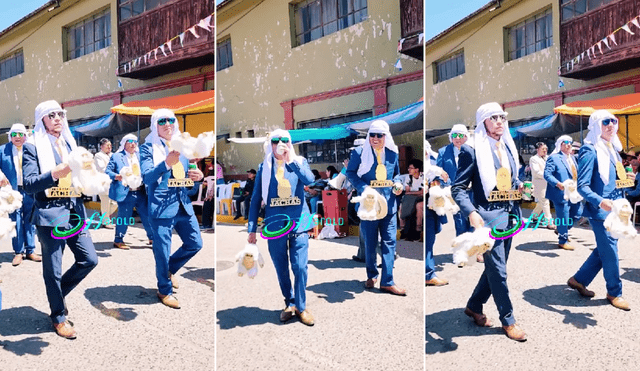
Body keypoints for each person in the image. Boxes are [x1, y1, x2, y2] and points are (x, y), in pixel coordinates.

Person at [23, 100, 99, 339]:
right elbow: (30, 184)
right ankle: (58, 316)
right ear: (42, 120)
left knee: (89, 259)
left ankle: (58, 294)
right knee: (53, 270)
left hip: (75, 210)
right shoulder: (32, 146)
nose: (58, 118)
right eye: (51, 114)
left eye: (61, 114)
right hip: (50, 214)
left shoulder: (70, 142)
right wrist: (56, 172)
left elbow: (81, 173)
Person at [452, 102, 527, 342]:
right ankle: (509, 320)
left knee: (496, 268)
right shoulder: (471, 149)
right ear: (483, 122)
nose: (499, 122)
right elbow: (459, 188)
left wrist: (518, 186)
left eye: (502, 117)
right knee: (499, 271)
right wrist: (472, 213)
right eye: (493, 117)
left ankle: (474, 305)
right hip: (488, 217)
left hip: (511, 213)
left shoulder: (508, 146)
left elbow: (510, 178)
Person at [567, 110, 635, 311]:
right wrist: (599, 201)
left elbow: (612, 180)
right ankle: (615, 292)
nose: (611, 125)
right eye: (606, 122)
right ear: (597, 125)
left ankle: (579, 279)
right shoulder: (590, 150)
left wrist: (626, 183)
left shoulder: (612, 149)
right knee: (611, 251)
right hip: (601, 211)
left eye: (614, 121)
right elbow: (582, 186)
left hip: (616, 207)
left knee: (604, 249)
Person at [246, 129, 316, 325]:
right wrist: (252, 228)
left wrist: (290, 160)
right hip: (275, 224)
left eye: (285, 140)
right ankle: (289, 302)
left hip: (299, 222)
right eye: (276, 140)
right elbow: (256, 199)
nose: (281, 143)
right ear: (271, 144)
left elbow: (310, 180)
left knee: (300, 266)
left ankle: (301, 307)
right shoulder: (264, 167)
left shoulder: (299, 162)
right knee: (281, 267)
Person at [139, 109, 204, 309]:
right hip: (160, 207)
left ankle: (169, 269)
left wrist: (197, 178)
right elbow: (147, 177)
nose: (168, 124)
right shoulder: (147, 148)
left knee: (195, 243)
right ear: (155, 125)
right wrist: (166, 163)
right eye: (162, 121)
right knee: (162, 250)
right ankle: (164, 290)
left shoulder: (184, 146)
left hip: (183, 204)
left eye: (171, 120)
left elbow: (189, 181)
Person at [346, 120, 406, 296]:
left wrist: (398, 184)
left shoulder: (392, 153)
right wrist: (363, 188)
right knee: (370, 243)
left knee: (389, 242)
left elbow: (397, 175)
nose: (375, 138)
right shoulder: (359, 153)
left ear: (386, 137)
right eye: (372, 135)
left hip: (389, 204)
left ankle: (387, 281)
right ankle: (372, 275)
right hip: (369, 205)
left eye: (379, 135)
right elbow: (350, 173)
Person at [0, 124, 41, 266]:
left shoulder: (32, 149)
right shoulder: (2, 150)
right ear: (10, 136)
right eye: (14, 134)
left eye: (20, 134)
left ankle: (30, 250)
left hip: (29, 189)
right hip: (12, 190)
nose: (17, 137)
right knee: (15, 220)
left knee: (30, 219)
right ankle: (18, 252)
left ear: (25, 136)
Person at [105, 134, 155, 249]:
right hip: (126, 192)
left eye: (135, 142)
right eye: (130, 141)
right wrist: (116, 176)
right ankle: (118, 240)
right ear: (124, 144)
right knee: (124, 217)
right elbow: (108, 171)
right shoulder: (117, 156)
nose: (133, 144)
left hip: (141, 191)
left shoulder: (140, 155)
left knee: (147, 216)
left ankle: (152, 238)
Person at [544, 135, 583, 251]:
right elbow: (547, 174)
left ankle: (561, 229)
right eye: (565, 142)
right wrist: (557, 183)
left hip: (574, 193)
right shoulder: (554, 158)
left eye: (570, 142)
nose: (568, 144)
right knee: (563, 217)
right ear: (560, 144)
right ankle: (563, 240)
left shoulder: (573, 158)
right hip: (560, 193)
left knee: (578, 213)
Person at [437, 124, 471, 236]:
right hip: (454, 192)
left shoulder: (472, 150)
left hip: (471, 191)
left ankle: (474, 251)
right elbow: (439, 171)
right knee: (460, 223)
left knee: (473, 222)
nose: (457, 138)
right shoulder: (443, 151)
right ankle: (462, 250)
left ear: (466, 137)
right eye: (454, 135)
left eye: (460, 135)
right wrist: (446, 185)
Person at [426, 141, 448, 286]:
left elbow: (445, 179)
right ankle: (428, 274)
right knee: (427, 241)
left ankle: (429, 272)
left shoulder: (434, 162)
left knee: (432, 238)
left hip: (434, 205)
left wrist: (439, 183)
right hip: (424, 205)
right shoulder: (426, 166)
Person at [529, 142, 555, 229]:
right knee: (545, 201)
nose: (545, 151)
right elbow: (536, 172)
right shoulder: (534, 159)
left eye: (546, 149)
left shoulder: (548, 158)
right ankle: (549, 222)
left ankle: (534, 216)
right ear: (537, 149)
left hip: (547, 183)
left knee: (541, 202)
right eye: (543, 149)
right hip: (539, 183)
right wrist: (548, 176)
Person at [94, 138, 117, 229]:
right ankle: (106, 222)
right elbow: (102, 168)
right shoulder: (98, 155)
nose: (109, 147)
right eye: (107, 145)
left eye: (110, 145)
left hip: (113, 182)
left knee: (115, 203)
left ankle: (104, 215)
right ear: (101, 146)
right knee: (105, 202)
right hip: (103, 182)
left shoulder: (113, 155)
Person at [399, 159, 424, 241]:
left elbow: (423, 192)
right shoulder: (408, 177)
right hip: (412, 198)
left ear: (416, 169)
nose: (409, 170)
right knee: (401, 206)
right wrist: (417, 192)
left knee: (419, 206)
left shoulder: (423, 177)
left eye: (411, 168)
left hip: (422, 198)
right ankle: (403, 230)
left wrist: (412, 193)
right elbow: (407, 191)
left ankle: (418, 230)